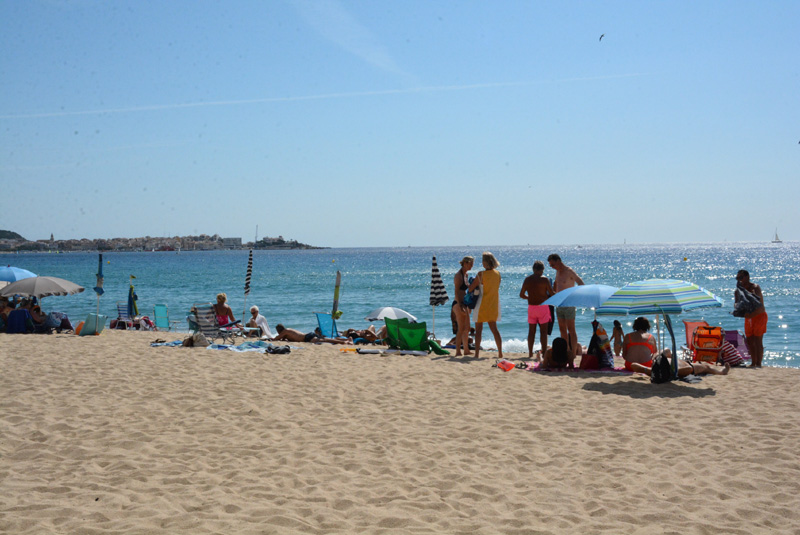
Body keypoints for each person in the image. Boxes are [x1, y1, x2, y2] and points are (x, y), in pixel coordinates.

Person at [547, 254, 584, 359]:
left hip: (569, 303)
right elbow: (557, 285)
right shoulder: (557, 271)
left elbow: (581, 283)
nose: (552, 267)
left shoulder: (569, 271)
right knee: (562, 329)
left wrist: (576, 296)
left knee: (571, 329)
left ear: (558, 260)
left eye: (553, 264)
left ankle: (572, 353)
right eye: (550, 265)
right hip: (559, 304)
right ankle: (566, 351)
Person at [467, 252, 502, 359]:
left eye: (483, 261)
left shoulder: (481, 274)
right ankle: (500, 353)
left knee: (479, 330)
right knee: (494, 329)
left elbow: (471, 288)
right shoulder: (497, 274)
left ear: (486, 262)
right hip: (493, 304)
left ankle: (477, 354)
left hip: (481, 304)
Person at [519, 260, 555, 361]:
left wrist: (529, 297)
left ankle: (530, 353)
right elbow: (551, 294)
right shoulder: (544, 280)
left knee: (531, 332)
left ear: (533, 269)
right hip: (543, 307)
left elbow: (521, 295)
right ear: (542, 270)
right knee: (543, 332)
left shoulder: (527, 280)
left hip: (531, 307)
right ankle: (543, 353)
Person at [735, 269, 767, 367]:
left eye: (741, 277)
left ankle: (758, 363)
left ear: (747, 277)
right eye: (737, 278)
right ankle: (753, 362)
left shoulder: (755, 287)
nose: (739, 280)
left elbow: (758, 304)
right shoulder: (738, 290)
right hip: (748, 317)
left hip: (759, 316)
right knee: (749, 340)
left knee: (758, 340)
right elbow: (736, 304)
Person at [451, 256, 474, 357]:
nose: (472, 266)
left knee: (467, 328)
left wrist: (468, 305)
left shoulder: (466, 275)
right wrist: (460, 304)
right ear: (465, 263)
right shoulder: (458, 276)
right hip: (458, 303)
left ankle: (466, 350)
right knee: (461, 328)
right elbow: (456, 291)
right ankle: (457, 351)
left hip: (464, 303)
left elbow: (465, 291)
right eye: (470, 264)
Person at [630, 358, 731, 378]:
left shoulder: (654, 371)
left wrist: (645, 370)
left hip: (678, 363)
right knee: (706, 367)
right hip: (684, 366)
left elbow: (633, 364)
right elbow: (689, 369)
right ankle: (722, 372)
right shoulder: (672, 372)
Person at [273, 324, 350, 344]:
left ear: (279, 330)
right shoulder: (287, 332)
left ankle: (343, 342)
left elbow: (276, 339)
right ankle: (345, 339)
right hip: (308, 335)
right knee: (325, 339)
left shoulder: (285, 331)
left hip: (307, 337)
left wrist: (272, 338)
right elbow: (282, 339)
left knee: (325, 340)